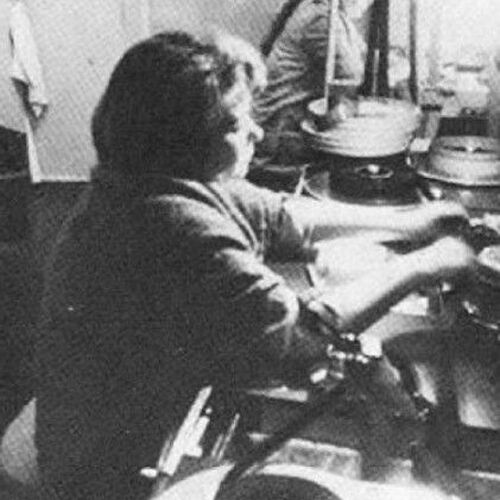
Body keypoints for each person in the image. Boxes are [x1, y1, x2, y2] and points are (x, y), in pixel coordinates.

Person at [34, 30, 475, 500]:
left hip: (144, 420)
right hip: (108, 473)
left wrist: (409, 222)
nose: (256, 131)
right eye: (235, 123)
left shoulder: (159, 178)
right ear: (185, 140)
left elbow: (281, 216)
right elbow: (298, 336)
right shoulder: (167, 220)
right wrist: (423, 265)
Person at [252, 0, 373, 166]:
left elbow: (362, 55)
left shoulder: (324, 11)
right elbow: (355, 78)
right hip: (275, 141)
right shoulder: (321, 18)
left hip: (279, 129)